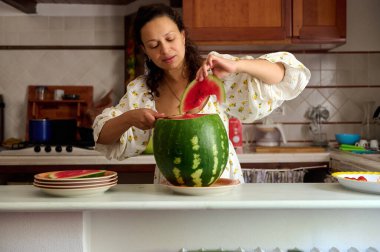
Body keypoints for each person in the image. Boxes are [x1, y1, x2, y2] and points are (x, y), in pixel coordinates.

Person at [92, 3, 311, 184]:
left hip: (222, 184)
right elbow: (103, 137)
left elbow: (284, 75)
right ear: (145, 50)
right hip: (170, 188)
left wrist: (238, 66)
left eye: (170, 39)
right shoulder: (142, 91)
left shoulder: (215, 71)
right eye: (153, 45)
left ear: (183, 36)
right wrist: (130, 117)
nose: (165, 50)